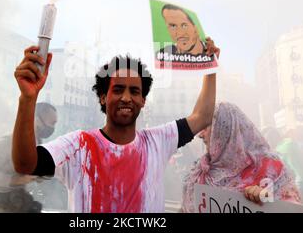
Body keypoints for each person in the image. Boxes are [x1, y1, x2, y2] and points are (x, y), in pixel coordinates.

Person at [12, 40, 220, 213]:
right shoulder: (78, 145)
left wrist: (210, 68)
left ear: (143, 101)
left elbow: (203, 116)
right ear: (103, 97)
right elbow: (26, 165)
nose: (127, 98)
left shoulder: (158, 141)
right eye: (118, 89)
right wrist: (27, 98)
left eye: (135, 91)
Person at [182, 102, 301, 212]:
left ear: (226, 130)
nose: (200, 135)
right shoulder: (199, 172)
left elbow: (293, 208)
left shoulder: (270, 169)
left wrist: (269, 202)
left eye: (206, 126)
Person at [0, 102, 60, 213]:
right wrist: (15, 180)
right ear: (36, 119)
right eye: (52, 123)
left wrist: (39, 175)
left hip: (18, 200)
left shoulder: (37, 144)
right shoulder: (10, 142)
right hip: (0, 203)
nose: (52, 128)